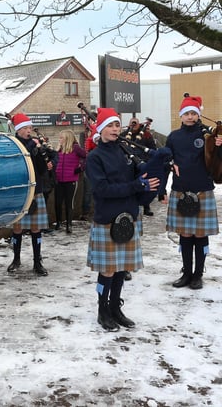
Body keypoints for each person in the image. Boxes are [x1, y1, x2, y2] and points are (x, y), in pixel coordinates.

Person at [86, 108, 159, 331]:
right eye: (110, 125)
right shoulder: (94, 157)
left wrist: (156, 169)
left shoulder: (126, 150)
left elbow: (141, 174)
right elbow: (102, 189)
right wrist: (136, 186)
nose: (115, 129)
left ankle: (116, 308)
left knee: (120, 268)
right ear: (100, 129)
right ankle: (102, 310)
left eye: (117, 125)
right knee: (107, 270)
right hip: (107, 218)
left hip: (128, 217)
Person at [162, 95, 221, 290]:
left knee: (200, 235)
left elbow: (216, 161)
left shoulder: (207, 136)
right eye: (186, 113)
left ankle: (198, 274)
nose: (190, 117)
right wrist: (162, 187)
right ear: (181, 116)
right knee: (185, 235)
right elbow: (165, 160)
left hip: (203, 189)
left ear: (198, 115)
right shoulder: (173, 137)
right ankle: (186, 272)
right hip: (181, 190)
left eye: (193, 113)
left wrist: (220, 145)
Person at [6, 114, 50, 276]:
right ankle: (16, 259)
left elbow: (42, 170)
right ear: (18, 130)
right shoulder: (12, 144)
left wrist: (39, 154)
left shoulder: (35, 145)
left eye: (29, 128)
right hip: (19, 190)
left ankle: (37, 262)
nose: (28, 131)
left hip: (35, 190)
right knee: (17, 227)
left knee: (35, 228)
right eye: (24, 128)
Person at [123, 116, 158, 216]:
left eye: (135, 123)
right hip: (128, 165)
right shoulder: (124, 135)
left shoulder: (146, 135)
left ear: (139, 124)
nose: (133, 125)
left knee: (145, 185)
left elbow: (153, 149)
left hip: (142, 164)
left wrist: (148, 160)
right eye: (132, 123)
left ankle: (146, 207)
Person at [54, 130, 87, 234]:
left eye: (61, 138)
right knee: (58, 203)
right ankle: (58, 222)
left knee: (69, 203)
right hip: (59, 180)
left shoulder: (76, 148)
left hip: (71, 180)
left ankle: (69, 225)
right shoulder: (59, 149)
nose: (60, 140)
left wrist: (80, 169)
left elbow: (88, 157)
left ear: (67, 138)